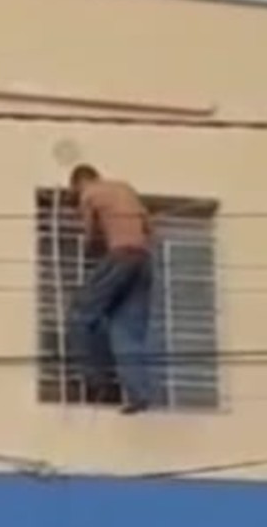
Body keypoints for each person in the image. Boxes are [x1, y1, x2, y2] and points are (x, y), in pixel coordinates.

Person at [65, 164, 154, 414]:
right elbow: (150, 228)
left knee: (80, 314)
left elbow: (90, 236)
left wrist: (92, 249)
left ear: (79, 182)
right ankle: (139, 394)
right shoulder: (125, 189)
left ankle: (96, 381)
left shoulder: (89, 193)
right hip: (143, 261)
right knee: (126, 329)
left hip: (120, 256)